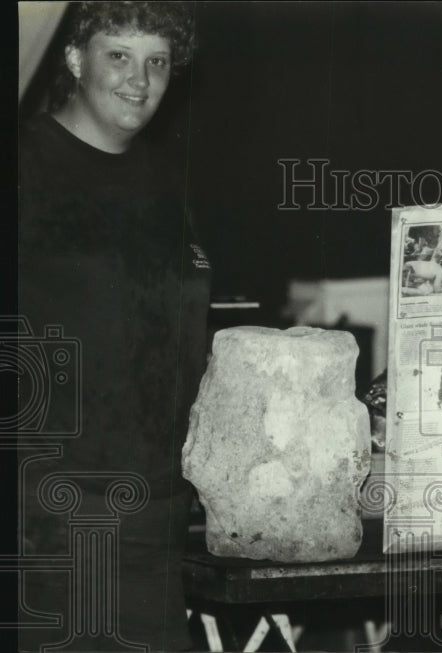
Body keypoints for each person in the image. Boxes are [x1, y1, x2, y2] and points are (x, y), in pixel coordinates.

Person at [18, 3, 206, 651]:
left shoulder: (164, 180)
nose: (140, 79)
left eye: (157, 62)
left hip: (157, 504)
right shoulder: (25, 166)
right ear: (74, 59)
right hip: (60, 510)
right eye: (119, 55)